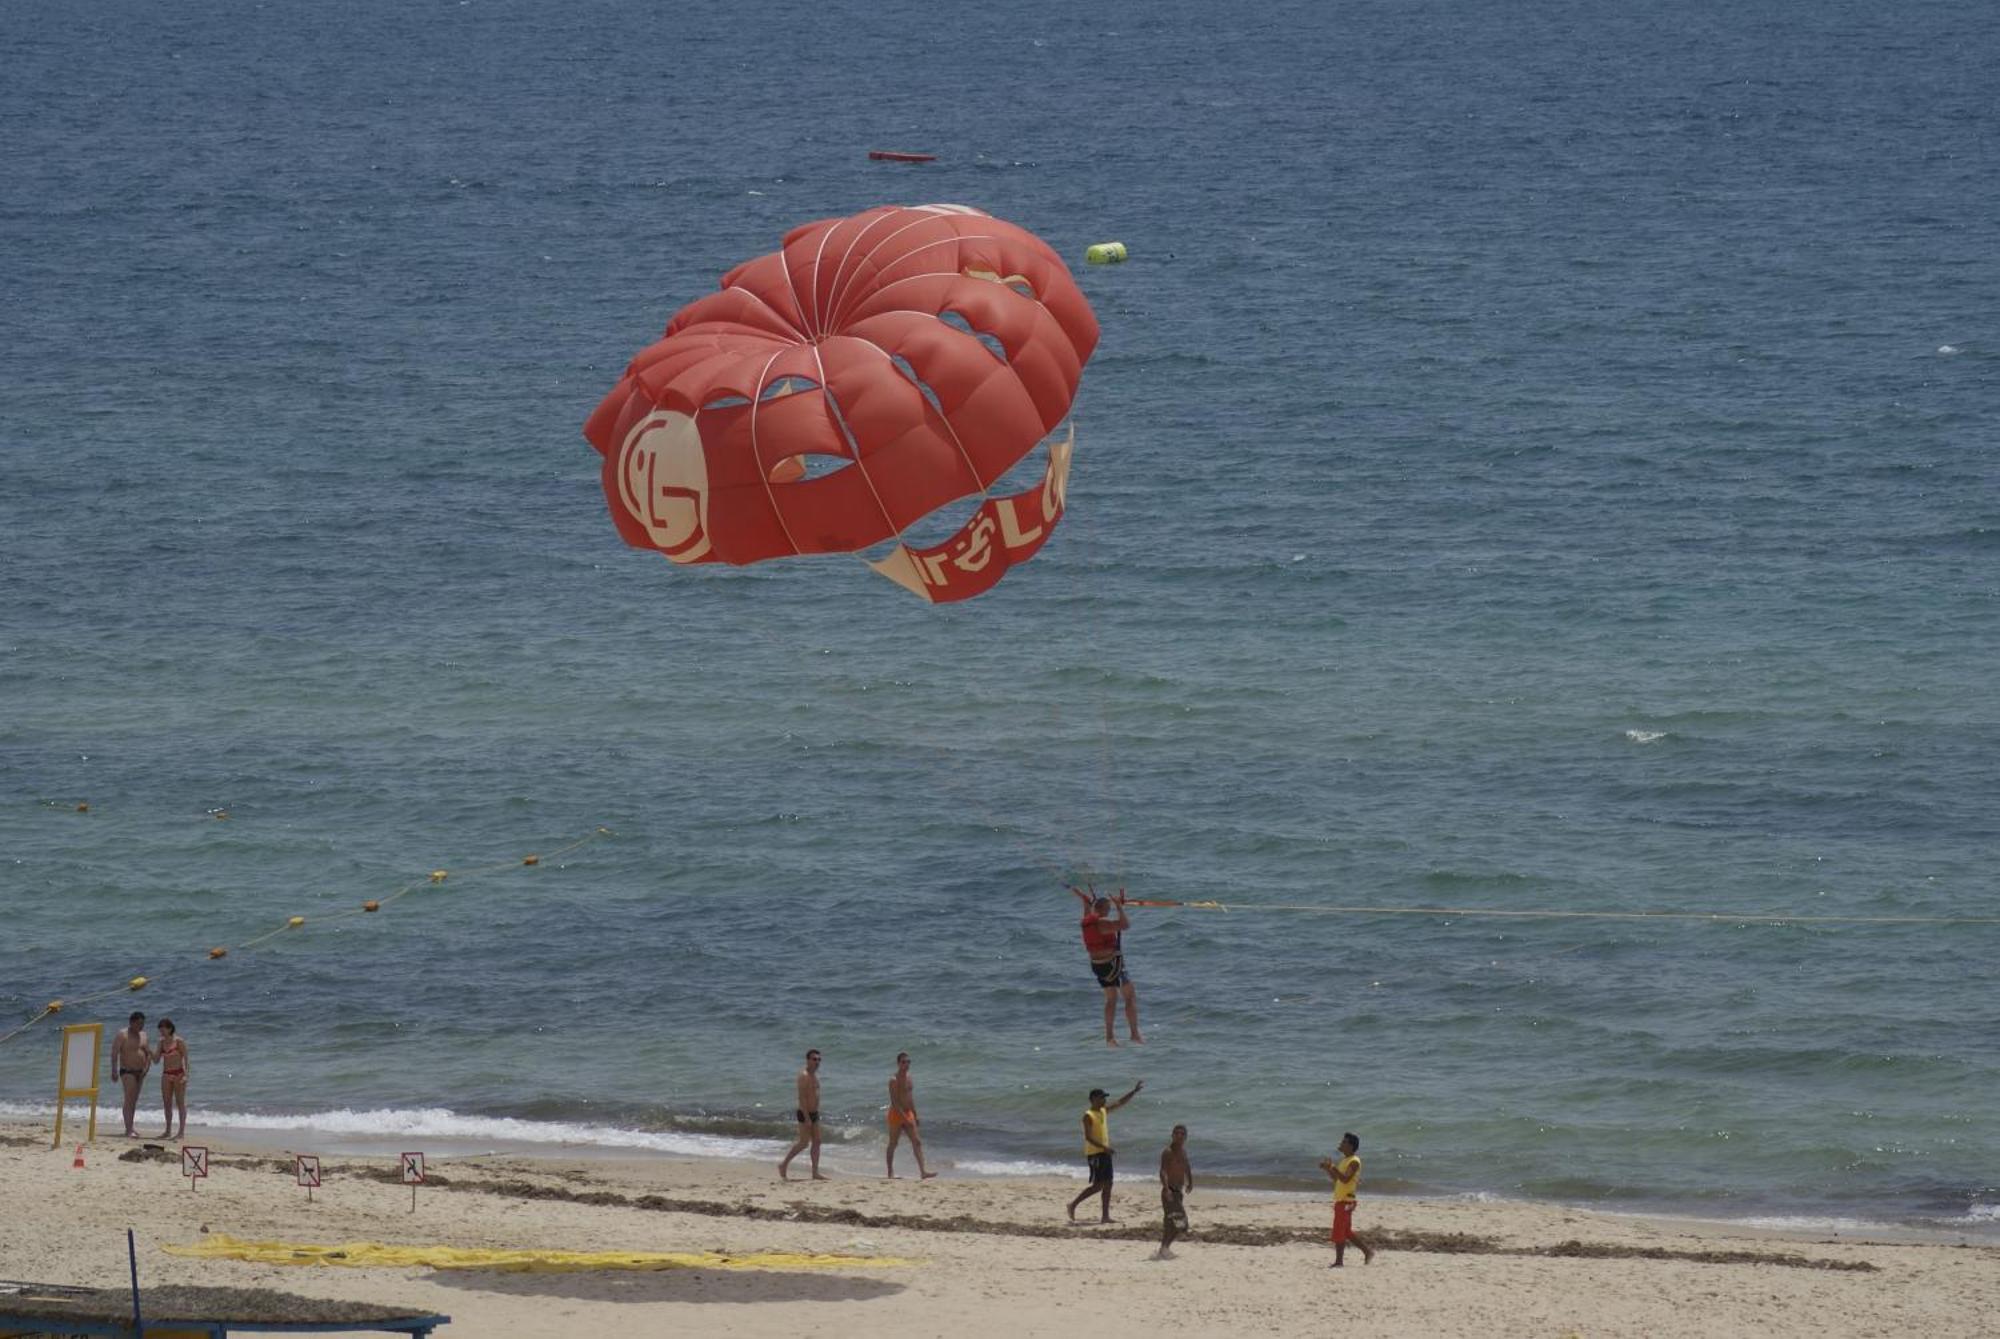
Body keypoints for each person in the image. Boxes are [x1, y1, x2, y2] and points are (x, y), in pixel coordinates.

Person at [1072, 886, 1142, 1046]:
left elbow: (1088, 909)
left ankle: (1110, 1038)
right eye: (1109, 909)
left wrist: (1085, 901)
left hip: (1098, 966)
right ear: (1103, 909)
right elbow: (1125, 925)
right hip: (1113, 965)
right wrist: (1119, 906)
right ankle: (1134, 1034)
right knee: (1129, 996)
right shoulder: (1102, 923)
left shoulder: (1086, 922)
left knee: (1111, 999)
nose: (1110, 912)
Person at [1066, 1079, 1143, 1224]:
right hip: (1095, 1153)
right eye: (1102, 1097)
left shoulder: (1103, 1111)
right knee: (1098, 1185)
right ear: (1093, 1099)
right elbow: (1088, 1137)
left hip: (1104, 1152)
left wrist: (1134, 1091)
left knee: (1109, 1184)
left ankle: (1105, 1216)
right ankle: (1073, 1204)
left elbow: (1120, 1103)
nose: (1104, 1100)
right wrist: (1104, 1148)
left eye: (1104, 1097)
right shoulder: (1088, 1115)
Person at [1319, 1132, 1376, 1266]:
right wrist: (1328, 1169)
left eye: (1344, 1142)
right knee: (1346, 1231)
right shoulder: (1344, 1160)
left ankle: (1339, 1261)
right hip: (1342, 1200)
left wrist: (1332, 1167)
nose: (1340, 1143)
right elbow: (1336, 1179)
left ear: (1350, 1146)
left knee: (1339, 1230)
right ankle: (1367, 1252)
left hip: (1347, 1200)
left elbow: (1345, 1179)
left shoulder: (1354, 1161)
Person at [885, 1051, 936, 1180]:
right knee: (893, 1143)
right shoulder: (893, 1080)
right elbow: (895, 1102)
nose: (906, 1064)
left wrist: (915, 1114)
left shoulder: (909, 1077)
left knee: (917, 1142)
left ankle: (923, 1172)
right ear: (898, 1064)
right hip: (896, 1114)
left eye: (908, 1062)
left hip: (908, 1113)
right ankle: (890, 1172)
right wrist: (903, 1118)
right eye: (903, 1062)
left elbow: (910, 1098)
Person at [778, 1049, 827, 1181]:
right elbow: (802, 1098)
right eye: (814, 1059)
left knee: (817, 1141)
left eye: (819, 1060)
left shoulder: (815, 1075)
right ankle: (783, 1165)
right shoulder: (804, 1076)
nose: (817, 1062)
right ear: (808, 1060)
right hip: (804, 1113)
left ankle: (815, 1172)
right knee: (804, 1143)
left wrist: (815, 1112)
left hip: (814, 1113)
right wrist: (806, 1118)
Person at [1155, 1123, 1193, 1259]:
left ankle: (1164, 1249)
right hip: (1169, 1192)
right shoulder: (1168, 1152)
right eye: (1177, 1133)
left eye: (1182, 1134)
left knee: (1172, 1223)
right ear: (1172, 1136)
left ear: (1186, 1137)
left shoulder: (1183, 1152)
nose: (1179, 1136)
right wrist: (1166, 1189)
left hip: (1178, 1191)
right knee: (1181, 1223)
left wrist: (1190, 1182)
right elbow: (1163, 1171)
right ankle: (1164, 1248)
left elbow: (1187, 1167)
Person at [109, 1011, 150, 1137]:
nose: (141, 1026)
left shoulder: (143, 1035)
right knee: (129, 1100)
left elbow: (147, 1053)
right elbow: (114, 1053)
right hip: (127, 1071)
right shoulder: (123, 1034)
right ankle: (128, 1129)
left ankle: (131, 1127)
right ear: (131, 1022)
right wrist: (114, 1070)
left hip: (140, 1072)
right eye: (138, 1023)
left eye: (142, 1024)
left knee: (134, 1100)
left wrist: (146, 1069)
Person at [152, 1017, 190, 1141]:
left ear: (170, 1028)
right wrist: (149, 1051)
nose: (161, 1032)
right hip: (166, 1074)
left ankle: (181, 1132)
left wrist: (186, 1075)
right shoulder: (161, 1042)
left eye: (163, 1029)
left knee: (180, 1103)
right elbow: (156, 1061)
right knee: (167, 1104)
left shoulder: (179, 1041)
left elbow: (185, 1059)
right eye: (160, 1029)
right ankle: (168, 1131)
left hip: (179, 1073)